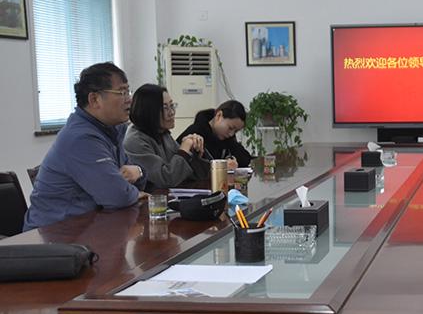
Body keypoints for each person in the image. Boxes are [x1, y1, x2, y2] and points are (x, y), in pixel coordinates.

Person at [24, 62, 147, 231]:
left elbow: (130, 180)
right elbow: (117, 196)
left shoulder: (112, 130)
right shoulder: (80, 138)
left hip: (90, 228)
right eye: (122, 92)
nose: (129, 99)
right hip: (54, 235)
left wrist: (139, 172)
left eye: (129, 91)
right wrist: (130, 191)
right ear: (94, 99)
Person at [123, 84, 208, 189]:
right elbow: (166, 179)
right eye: (165, 108)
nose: (172, 112)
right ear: (148, 111)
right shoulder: (135, 141)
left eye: (172, 106)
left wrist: (195, 150)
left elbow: (191, 174)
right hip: (151, 198)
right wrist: (184, 151)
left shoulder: (162, 133)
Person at [177, 100, 252, 168]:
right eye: (230, 128)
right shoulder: (194, 133)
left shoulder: (227, 138)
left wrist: (232, 159)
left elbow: (246, 159)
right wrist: (222, 166)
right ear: (219, 115)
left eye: (236, 131)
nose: (231, 134)